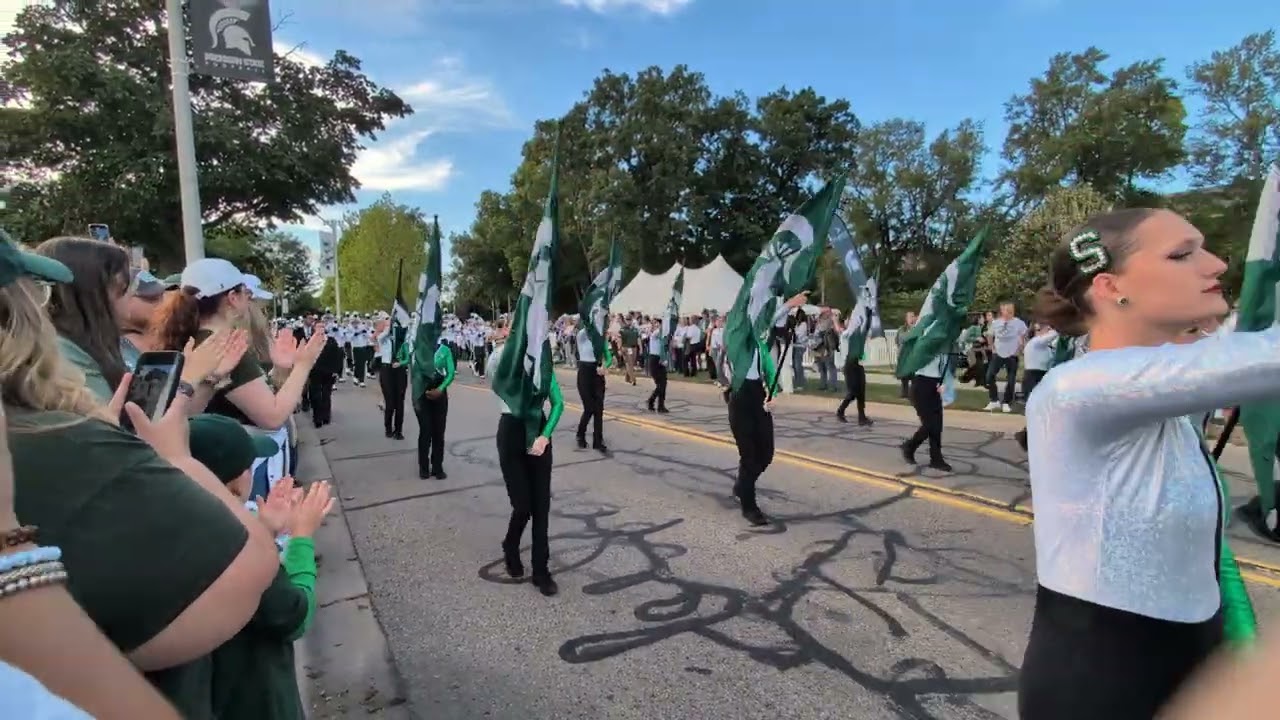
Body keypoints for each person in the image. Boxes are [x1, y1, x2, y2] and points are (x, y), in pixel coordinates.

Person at [0, 237, 280, 718]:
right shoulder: (48, 423)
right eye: (131, 289)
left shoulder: (84, 378)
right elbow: (253, 568)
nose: (155, 302)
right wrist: (174, 456)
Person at [1018, 208, 1274, 719]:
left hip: (1203, 658)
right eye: (1183, 254)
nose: (1217, 264)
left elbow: (1217, 353)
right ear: (1112, 286)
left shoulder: (1170, 399)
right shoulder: (1076, 389)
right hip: (1102, 684)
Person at [486, 323, 564, 596]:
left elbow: (558, 403)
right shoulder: (501, 358)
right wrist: (507, 349)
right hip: (511, 431)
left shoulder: (543, 365)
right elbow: (494, 379)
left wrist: (545, 436)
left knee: (541, 506)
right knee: (523, 505)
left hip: (538, 432)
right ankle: (510, 545)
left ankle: (541, 571)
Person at [727, 291, 809, 526]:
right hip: (740, 396)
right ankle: (749, 506)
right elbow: (761, 321)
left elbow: (766, 331)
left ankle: (742, 486)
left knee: (766, 453)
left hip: (758, 395)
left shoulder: (761, 343)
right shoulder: (735, 336)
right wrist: (787, 305)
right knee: (750, 455)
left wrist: (771, 392)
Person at [900, 344, 954, 473]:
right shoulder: (925, 342)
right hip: (921, 385)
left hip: (935, 385)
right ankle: (910, 446)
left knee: (937, 425)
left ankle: (936, 459)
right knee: (930, 424)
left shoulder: (945, 346)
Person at [413, 336, 456, 480]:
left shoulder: (445, 350)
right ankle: (423, 467)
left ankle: (437, 467)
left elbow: (450, 373)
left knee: (439, 431)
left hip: (440, 392)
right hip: (422, 393)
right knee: (425, 430)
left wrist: (441, 389)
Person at [1013, 324, 1057, 451]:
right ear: (1035, 332)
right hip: (1033, 377)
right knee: (1037, 410)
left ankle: (1030, 437)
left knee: (1043, 411)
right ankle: (1026, 438)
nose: (1047, 331)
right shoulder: (1035, 343)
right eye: (1044, 329)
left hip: (1042, 377)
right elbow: (1053, 335)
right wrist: (1060, 326)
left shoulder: (1046, 348)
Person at [983, 301, 1026, 412]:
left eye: (1010, 310)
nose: (1007, 312)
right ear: (1002, 311)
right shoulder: (996, 323)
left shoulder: (1019, 323)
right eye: (1005, 310)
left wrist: (1019, 350)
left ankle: (1006, 402)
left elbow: (1023, 337)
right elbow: (990, 335)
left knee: (1011, 380)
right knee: (989, 376)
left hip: (1012, 354)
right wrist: (992, 347)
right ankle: (994, 400)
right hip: (998, 353)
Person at [574, 322, 608, 453]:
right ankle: (580, 433)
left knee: (599, 408)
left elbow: (608, 356)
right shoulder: (581, 336)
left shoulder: (600, 338)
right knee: (589, 408)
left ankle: (598, 441)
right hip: (585, 372)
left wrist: (604, 366)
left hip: (597, 373)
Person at [375, 319, 408, 439]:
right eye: (389, 324)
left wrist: (401, 363)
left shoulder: (402, 341)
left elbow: (407, 357)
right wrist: (389, 326)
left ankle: (398, 431)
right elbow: (382, 336)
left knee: (400, 402)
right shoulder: (383, 338)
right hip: (386, 370)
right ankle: (388, 429)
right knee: (390, 402)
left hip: (399, 370)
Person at [645, 318, 669, 413]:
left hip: (661, 358)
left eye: (657, 323)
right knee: (660, 384)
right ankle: (651, 400)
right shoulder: (655, 333)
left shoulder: (662, 334)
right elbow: (660, 333)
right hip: (654, 359)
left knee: (663, 383)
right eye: (655, 323)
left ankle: (660, 405)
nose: (656, 325)